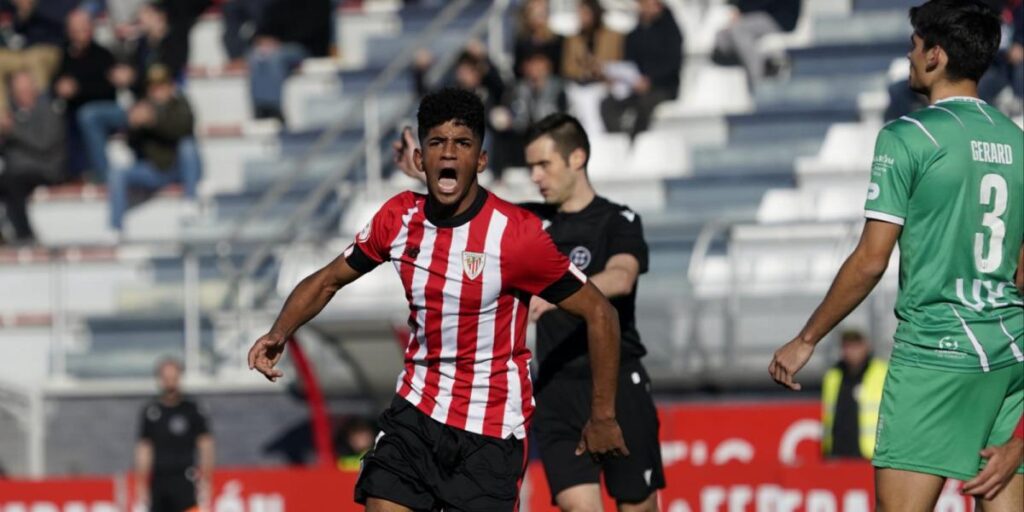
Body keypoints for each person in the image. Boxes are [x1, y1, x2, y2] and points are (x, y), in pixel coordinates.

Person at [248, 88, 629, 511]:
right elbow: (327, 280)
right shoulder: (398, 219)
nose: (449, 154)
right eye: (437, 143)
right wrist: (279, 332)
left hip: (491, 429)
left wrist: (603, 416)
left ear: (481, 160)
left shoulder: (515, 235)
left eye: (462, 144)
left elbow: (600, 312)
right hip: (417, 411)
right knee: (381, 499)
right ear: (421, 159)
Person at [768, 2, 1023, 510]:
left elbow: (870, 259)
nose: (907, 55)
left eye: (913, 44)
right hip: (1008, 352)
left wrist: (806, 338)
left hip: (935, 351)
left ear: (936, 55)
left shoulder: (909, 136)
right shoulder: (1016, 141)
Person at [394, 112, 664, 511]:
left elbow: (621, 278)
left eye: (543, 165)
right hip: (554, 388)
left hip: (618, 382)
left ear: (577, 158)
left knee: (636, 504)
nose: (535, 176)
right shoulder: (528, 223)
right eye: (531, 166)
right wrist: (425, 172)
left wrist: (559, 293)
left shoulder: (617, 220)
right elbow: (471, 203)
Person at [107, 65, 200, 232]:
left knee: (188, 146)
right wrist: (133, 125)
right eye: (153, 86)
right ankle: (115, 227)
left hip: (178, 168)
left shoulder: (180, 104)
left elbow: (183, 129)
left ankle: (190, 200)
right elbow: (132, 145)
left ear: (170, 86)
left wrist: (153, 122)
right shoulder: (141, 107)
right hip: (155, 170)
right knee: (117, 172)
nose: (157, 91)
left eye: (162, 85)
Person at [135, 357, 214, 512]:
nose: (170, 383)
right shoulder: (151, 411)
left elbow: (206, 445)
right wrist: (141, 483)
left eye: (173, 378)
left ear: (179, 378)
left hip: (186, 479)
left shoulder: (192, 409)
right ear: (159, 380)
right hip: (159, 479)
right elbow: (144, 449)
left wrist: (206, 478)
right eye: (166, 378)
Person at [600, 0, 683, 140]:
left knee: (644, 105)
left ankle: (636, 143)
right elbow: (628, 64)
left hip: (663, 87)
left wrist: (651, 81)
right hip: (635, 86)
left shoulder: (671, 32)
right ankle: (620, 140)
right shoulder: (634, 35)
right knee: (607, 104)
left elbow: (672, 63)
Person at [0, 69, 65, 244]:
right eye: (19, 91)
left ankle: (25, 234)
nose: (23, 94)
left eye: (26, 89)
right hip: (16, 172)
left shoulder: (49, 111)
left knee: (11, 182)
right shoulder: (12, 114)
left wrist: (11, 130)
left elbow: (43, 143)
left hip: (44, 169)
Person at [53, 9, 116, 178]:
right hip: (71, 110)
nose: (79, 33)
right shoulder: (65, 55)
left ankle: (98, 174)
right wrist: (59, 88)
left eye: (83, 28)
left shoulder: (103, 55)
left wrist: (77, 89)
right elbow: (56, 82)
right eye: (75, 29)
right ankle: (63, 172)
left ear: (91, 29)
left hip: (98, 109)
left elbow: (108, 89)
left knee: (85, 117)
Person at [246, 0, 331, 121]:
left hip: (306, 47)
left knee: (275, 58)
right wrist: (261, 39)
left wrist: (279, 43)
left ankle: (273, 109)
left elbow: (312, 30)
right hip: (280, 46)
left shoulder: (318, 3)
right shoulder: (278, 4)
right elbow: (263, 27)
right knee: (256, 56)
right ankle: (260, 108)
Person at [489, 50, 566, 181]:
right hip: (522, 135)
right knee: (500, 132)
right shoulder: (517, 88)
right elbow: (511, 112)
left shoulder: (558, 89)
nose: (535, 69)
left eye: (539, 65)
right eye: (532, 65)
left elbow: (563, 115)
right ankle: (498, 178)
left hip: (548, 135)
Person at [820, 329, 887, 460]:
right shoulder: (833, 376)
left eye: (856, 346)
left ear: (866, 347)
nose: (851, 352)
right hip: (836, 452)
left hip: (869, 453)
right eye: (847, 347)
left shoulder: (882, 372)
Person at [0, 0, 75, 117]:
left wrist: (32, 7)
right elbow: (17, 28)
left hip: (50, 48)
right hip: (24, 51)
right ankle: (2, 115)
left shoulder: (56, 4)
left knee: (34, 59)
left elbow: (61, 20)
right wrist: (22, 11)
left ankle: (43, 113)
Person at [561, 0, 623, 137]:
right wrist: (586, 70)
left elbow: (616, 61)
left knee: (591, 102)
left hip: (605, 83)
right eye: (580, 14)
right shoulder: (574, 39)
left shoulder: (613, 36)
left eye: (585, 13)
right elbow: (568, 67)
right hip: (580, 83)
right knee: (581, 101)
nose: (582, 17)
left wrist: (600, 68)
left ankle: (596, 139)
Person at [712, 0, 801, 89]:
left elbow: (763, 3)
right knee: (722, 36)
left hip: (779, 19)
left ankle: (758, 78)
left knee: (739, 29)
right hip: (762, 15)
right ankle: (766, 64)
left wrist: (741, 10)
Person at [514, 0, 563, 79]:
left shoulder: (556, 41)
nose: (536, 17)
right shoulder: (522, 42)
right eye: (534, 13)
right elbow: (517, 70)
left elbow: (561, 68)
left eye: (541, 13)